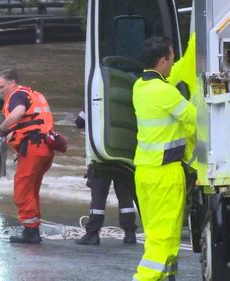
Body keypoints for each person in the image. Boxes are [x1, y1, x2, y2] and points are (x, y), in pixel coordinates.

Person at [131, 36, 196, 281]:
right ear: (162, 61)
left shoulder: (140, 86)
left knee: (160, 234)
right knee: (163, 235)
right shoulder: (164, 92)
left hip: (146, 172)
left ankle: (166, 277)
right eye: (171, 57)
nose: (174, 62)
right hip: (164, 173)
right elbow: (195, 117)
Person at [0, 69, 54, 244]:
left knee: (22, 190)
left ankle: (31, 232)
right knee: (32, 190)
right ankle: (32, 228)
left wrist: (1, 129)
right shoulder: (35, 95)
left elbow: (18, 113)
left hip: (33, 148)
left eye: (2, 87)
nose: (0, 91)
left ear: (12, 83)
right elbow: (32, 121)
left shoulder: (17, 96)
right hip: (46, 148)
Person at [74, 109, 137, 245]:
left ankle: (92, 233)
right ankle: (130, 233)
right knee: (126, 198)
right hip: (124, 158)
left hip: (100, 159)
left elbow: (79, 122)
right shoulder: (129, 101)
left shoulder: (95, 102)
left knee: (98, 199)